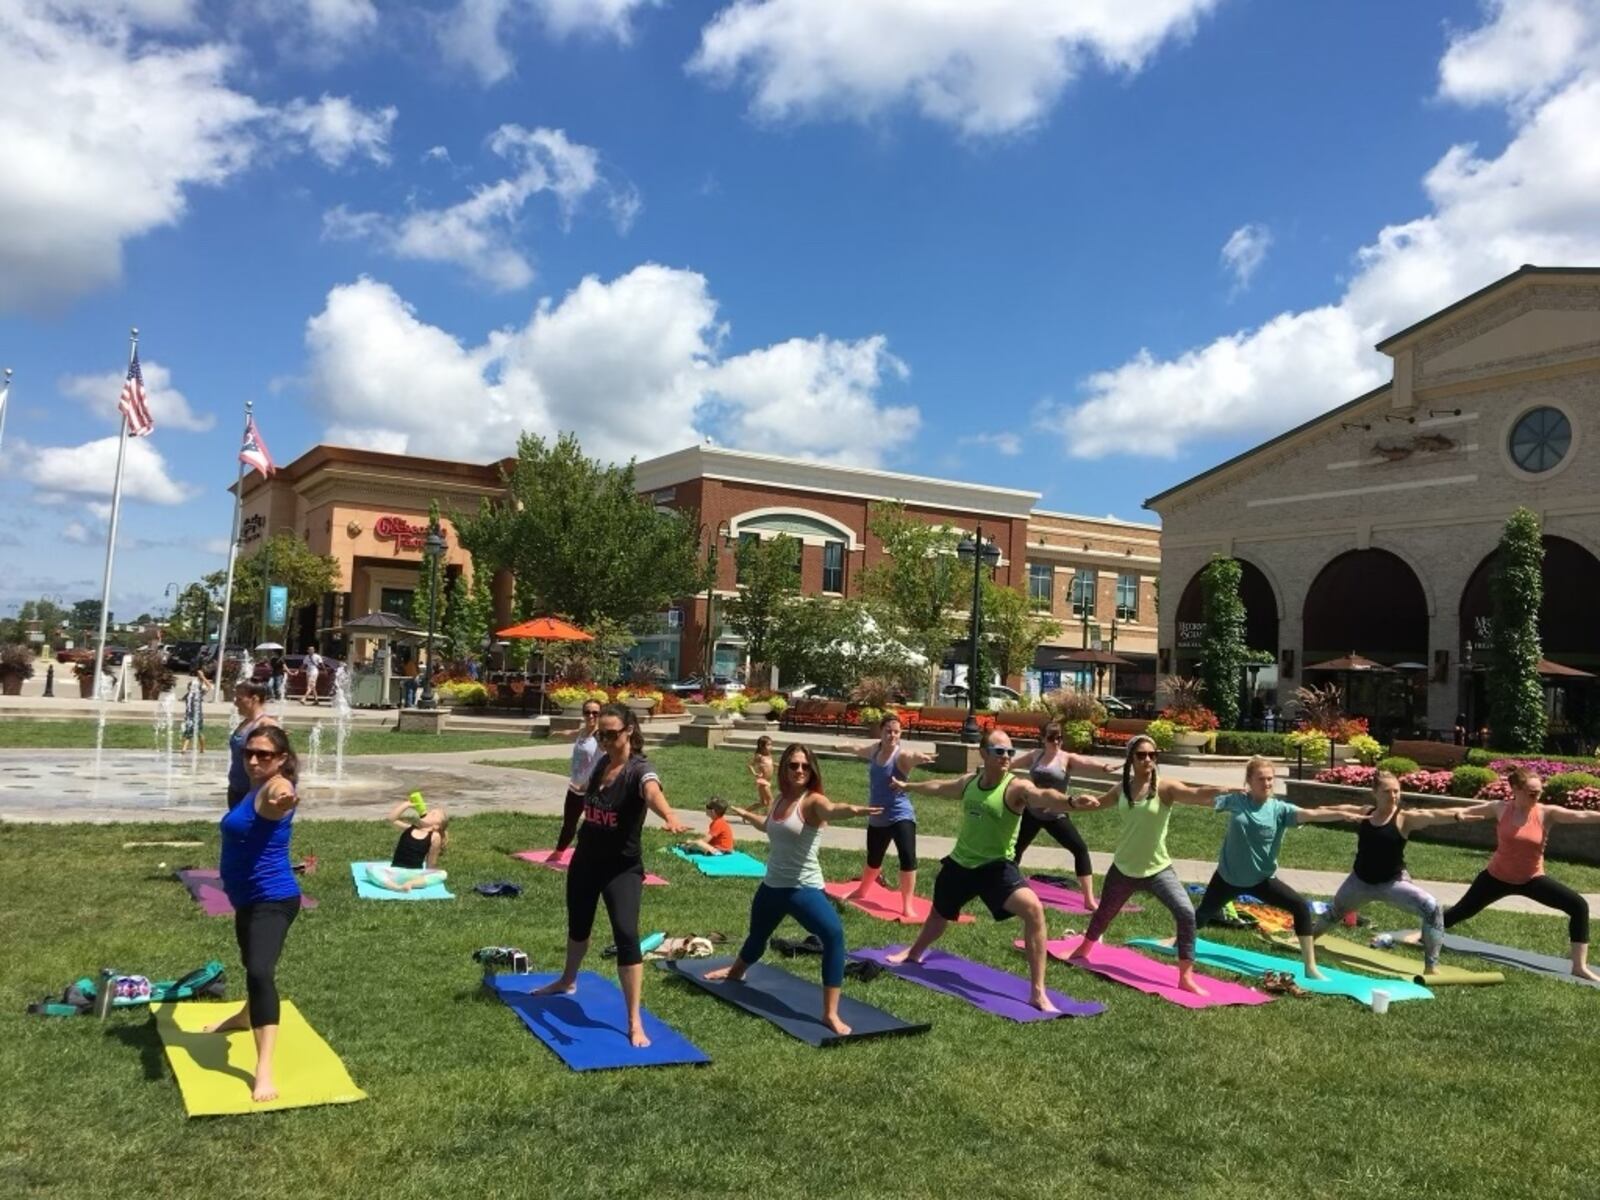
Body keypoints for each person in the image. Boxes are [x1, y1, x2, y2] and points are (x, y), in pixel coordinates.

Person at [886, 729, 1099, 1013]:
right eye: (999, 752)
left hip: (996, 869)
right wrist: (909, 787)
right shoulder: (970, 782)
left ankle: (1037, 992)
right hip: (960, 864)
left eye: (1010, 752)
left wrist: (1070, 802)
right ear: (984, 754)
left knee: (1034, 910)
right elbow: (940, 787)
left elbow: (1042, 795)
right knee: (938, 916)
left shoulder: (1016, 787)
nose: (1006, 757)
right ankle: (913, 953)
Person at [535, 704, 690, 1047]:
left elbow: (652, 792)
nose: (604, 740)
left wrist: (669, 814)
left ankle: (634, 1020)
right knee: (578, 924)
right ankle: (567, 980)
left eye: (611, 734)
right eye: (601, 734)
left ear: (630, 731)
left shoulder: (640, 770)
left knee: (626, 934)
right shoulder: (603, 762)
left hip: (621, 868)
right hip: (586, 859)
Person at [708, 744, 880, 1035]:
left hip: (804, 890)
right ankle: (736, 971)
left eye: (805, 766)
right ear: (784, 768)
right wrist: (747, 816)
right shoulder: (779, 799)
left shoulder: (812, 801)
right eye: (793, 765)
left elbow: (832, 809)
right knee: (758, 936)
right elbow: (770, 827)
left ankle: (829, 1013)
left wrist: (852, 810)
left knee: (834, 936)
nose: (799, 770)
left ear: (812, 770)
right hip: (772, 886)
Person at [1070, 735, 1230, 994]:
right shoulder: (1122, 789)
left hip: (1158, 869)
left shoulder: (1165, 788)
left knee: (1186, 913)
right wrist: (1075, 802)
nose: (1148, 760)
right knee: (1104, 913)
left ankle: (1185, 976)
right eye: (1141, 755)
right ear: (1130, 759)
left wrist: (1225, 791)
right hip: (1123, 868)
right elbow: (1097, 804)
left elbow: (1194, 794)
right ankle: (1084, 948)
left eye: (1152, 755)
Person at [1194, 756, 1370, 980]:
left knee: (1300, 907)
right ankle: (1178, 940)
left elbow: (1314, 813)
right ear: (1249, 780)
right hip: (1227, 877)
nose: (1267, 783)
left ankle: (1310, 967)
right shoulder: (1236, 801)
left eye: (1270, 779)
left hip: (1261, 880)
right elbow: (1203, 800)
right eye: (1261, 779)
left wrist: (1343, 815)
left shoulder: (1280, 810)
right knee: (1201, 916)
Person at [203, 724, 301, 1103]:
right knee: (251, 964)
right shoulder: (252, 789)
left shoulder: (274, 788)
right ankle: (245, 1016)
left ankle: (262, 1070)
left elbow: (283, 794)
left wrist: (284, 798)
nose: (255, 760)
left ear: (282, 760)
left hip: (273, 900)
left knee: (261, 971)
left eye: (264, 754)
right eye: (249, 753)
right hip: (246, 899)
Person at [1437, 765, 1600, 980]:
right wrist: (1459, 815)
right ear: (1515, 789)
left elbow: (1581, 816)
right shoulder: (1500, 808)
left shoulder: (1546, 813)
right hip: (1496, 877)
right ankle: (1423, 933)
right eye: (1532, 792)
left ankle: (1579, 966)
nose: (1537, 796)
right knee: (1459, 912)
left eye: (1539, 792)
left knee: (1578, 905)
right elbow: (1466, 811)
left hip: (1531, 879)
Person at [1312, 769, 1465, 976]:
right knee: (1335, 912)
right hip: (1360, 882)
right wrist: (1309, 813)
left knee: (1432, 908)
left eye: (1396, 791)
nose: (1393, 796)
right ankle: (1306, 939)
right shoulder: (1365, 813)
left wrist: (1457, 815)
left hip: (1393, 884)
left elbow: (1431, 815)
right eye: (1387, 791)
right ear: (1375, 793)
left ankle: (1431, 966)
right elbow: (1337, 810)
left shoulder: (1404, 818)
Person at [1008, 720, 1119, 909]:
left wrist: (1104, 767)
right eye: (1052, 738)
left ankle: (1089, 900)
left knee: (1080, 849)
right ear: (1042, 738)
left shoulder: (1065, 758)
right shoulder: (1035, 756)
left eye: (1060, 738)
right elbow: (1010, 765)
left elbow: (1086, 762)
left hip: (1056, 815)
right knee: (1015, 850)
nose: (1056, 742)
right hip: (1032, 813)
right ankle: (1008, 889)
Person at [842, 713, 937, 919]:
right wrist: (845, 746)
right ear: (881, 732)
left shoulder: (901, 756)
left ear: (900, 734)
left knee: (908, 857)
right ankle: (862, 890)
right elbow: (859, 750)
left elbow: (911, 756)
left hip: (900, 814)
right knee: (874, 859)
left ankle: (907, 905)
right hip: (877, 815)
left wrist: (921, 758)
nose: (892, 735)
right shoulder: (875, 750)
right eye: (888, 731)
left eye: (896, 732)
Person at [552, 699, 604, 855]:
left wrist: (593, 783)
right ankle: (559, 852)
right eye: (587, 712)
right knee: (569, 824)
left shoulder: (600, 736)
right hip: (574, 787)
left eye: (595, 713)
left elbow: (610, 758)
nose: (591, 716)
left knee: (593, 827)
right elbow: (573, 733)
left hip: (591, 790)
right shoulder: (583, 731)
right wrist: (560, 733)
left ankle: (594, 854)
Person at [365, 798, 450, 892]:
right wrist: (406, 805)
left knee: (443, 874)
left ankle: (411, 884)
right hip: (396, 872)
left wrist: (431, 873)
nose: (428, 813)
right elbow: (392, 820)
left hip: (415, 875)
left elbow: (431, 864)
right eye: (430, 811)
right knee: (370, 869)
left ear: (436, 826)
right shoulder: (410, 828)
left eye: (433, 814)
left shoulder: (435, 836)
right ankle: (397, 888)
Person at [226, 682, 279, 810]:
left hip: (255, 792)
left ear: (254, 699)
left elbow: (279, 761)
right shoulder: (245, 723)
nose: (235, 703)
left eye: (239, 698)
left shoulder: (266, 724)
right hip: (235, 790)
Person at [180, 669, 208, 755]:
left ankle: (188, 749)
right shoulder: (187, 695)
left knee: (196, 732)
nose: (190, 688)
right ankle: (199, 748)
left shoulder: (200, 693)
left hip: (197, 716)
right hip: (189, 715)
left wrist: (203, 677)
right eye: (190, 686)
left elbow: (210, 687)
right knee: (192, 731)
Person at [747, 735, 774, 806]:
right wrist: (755, 773)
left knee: (763, 803)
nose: (771, 747)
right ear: (762, 746)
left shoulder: (769, 755)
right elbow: (750, 765)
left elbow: (771, 764)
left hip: (768, 781)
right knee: (770, 800)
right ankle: (770, 816)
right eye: (768, 745)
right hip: (762, 781)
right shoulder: (759, 756)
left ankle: (745, 812)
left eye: (771, 744)